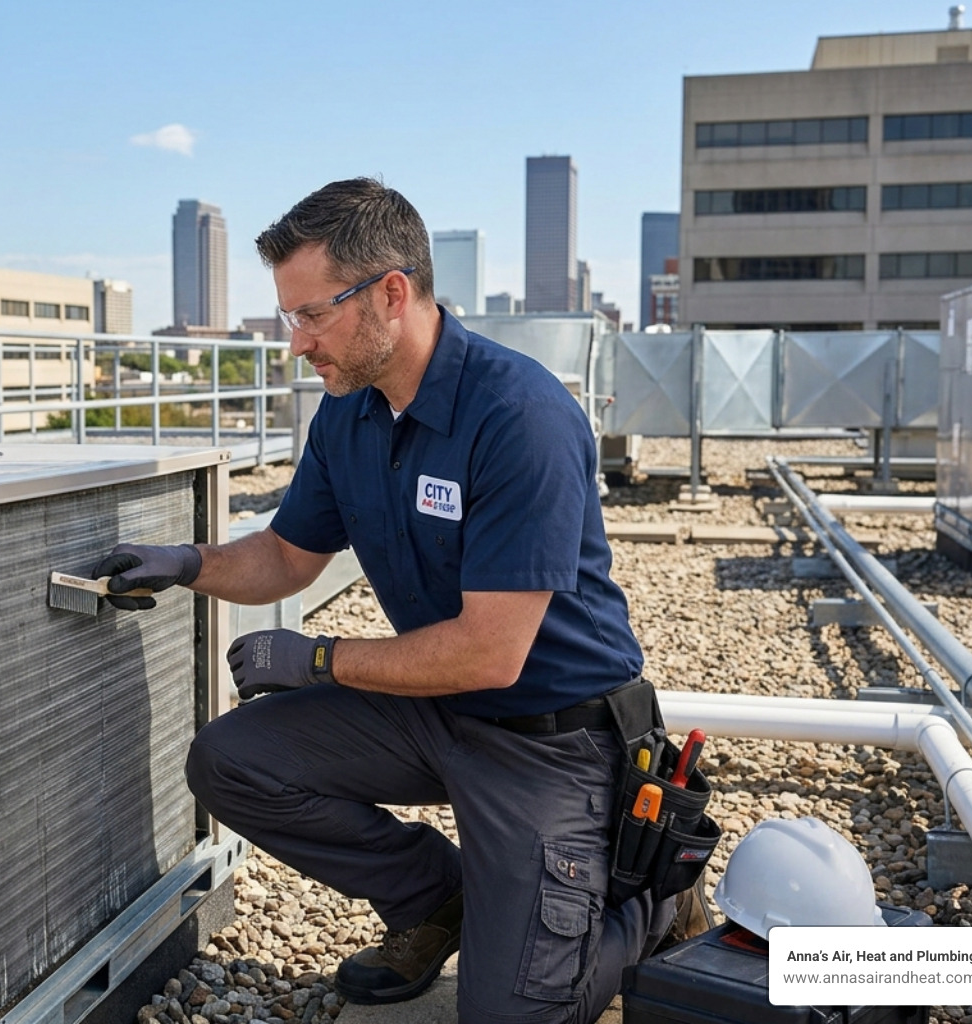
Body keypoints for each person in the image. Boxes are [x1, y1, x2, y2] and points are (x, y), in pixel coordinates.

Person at [92, 177, 674, 1024]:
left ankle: (652, 911)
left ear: (390, 294)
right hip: (439, 711)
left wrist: (317, 659)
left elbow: (491, 651)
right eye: (291, 316)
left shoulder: (518, 416)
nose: (297, 343)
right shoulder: (349, 415)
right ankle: (439, 899)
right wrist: (189, 562)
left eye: (311, 314)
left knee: (515, 1015)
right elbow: (289, 555)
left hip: (551, 739)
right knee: (231, 761)